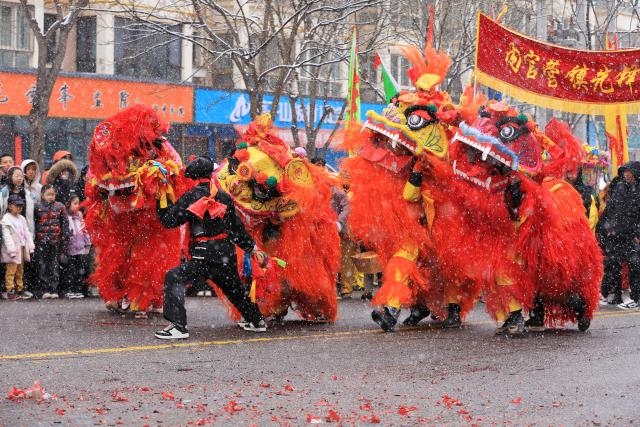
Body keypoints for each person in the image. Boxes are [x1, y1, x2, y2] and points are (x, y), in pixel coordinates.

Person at [154, 156, 267, 340]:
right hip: (225, 255)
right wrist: (252, 248)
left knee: (173, 277)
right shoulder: (223, 196)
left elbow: (169, 220)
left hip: (203, 257)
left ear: (194, 176)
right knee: (235, 289)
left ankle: (178, 327)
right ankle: (257, 321)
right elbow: (237, 228)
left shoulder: (192, 195)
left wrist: (161, 198)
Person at [596, 161, 640, 309]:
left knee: (634, 265)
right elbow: (610, 210)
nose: (627, 174)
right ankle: (615, 294)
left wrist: (637, 234)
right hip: (615, 235)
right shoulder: (620, 187)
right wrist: (603, 229)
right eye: (625, 171)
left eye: (630, 171)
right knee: (612, 264)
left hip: (632, 236)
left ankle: (636, 297)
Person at [34, 185, 68, 299]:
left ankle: (54, 289)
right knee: (42, 265)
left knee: (54, 266)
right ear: (43, 195)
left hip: (55, 241)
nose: (50, 197)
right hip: (41, 241)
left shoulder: (60, 206)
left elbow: (65, 224)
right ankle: (44, 289)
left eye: (52, 194)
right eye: (48, 194)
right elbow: (34, 223)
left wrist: (64, 238)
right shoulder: (37, 206)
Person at [1, 195, 35, 300]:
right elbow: (6, 236)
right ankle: (9, 290)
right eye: (17, 205)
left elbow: (27, 233)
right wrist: (11, 250)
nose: (19, 208)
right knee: (11, 270)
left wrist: (31, 245)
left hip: (22, 247)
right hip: (13, 250)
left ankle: (19, 288)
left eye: (21, 205)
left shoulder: (22, 218)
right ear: (10, 206)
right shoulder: (6, 219)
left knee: (20, 269)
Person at [61, 195, 91, 299]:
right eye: (75, 203)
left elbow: (84, 230)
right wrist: (64, 248)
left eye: (78, 203)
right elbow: (65, 233)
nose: (77, 206)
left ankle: (78, 289)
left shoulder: (79, 216)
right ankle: (69, 289)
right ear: (68, 204)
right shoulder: (65, 217)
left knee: (80, 270)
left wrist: (87, 244)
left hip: (80, 248)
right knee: (70, 270)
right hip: (70, 249)